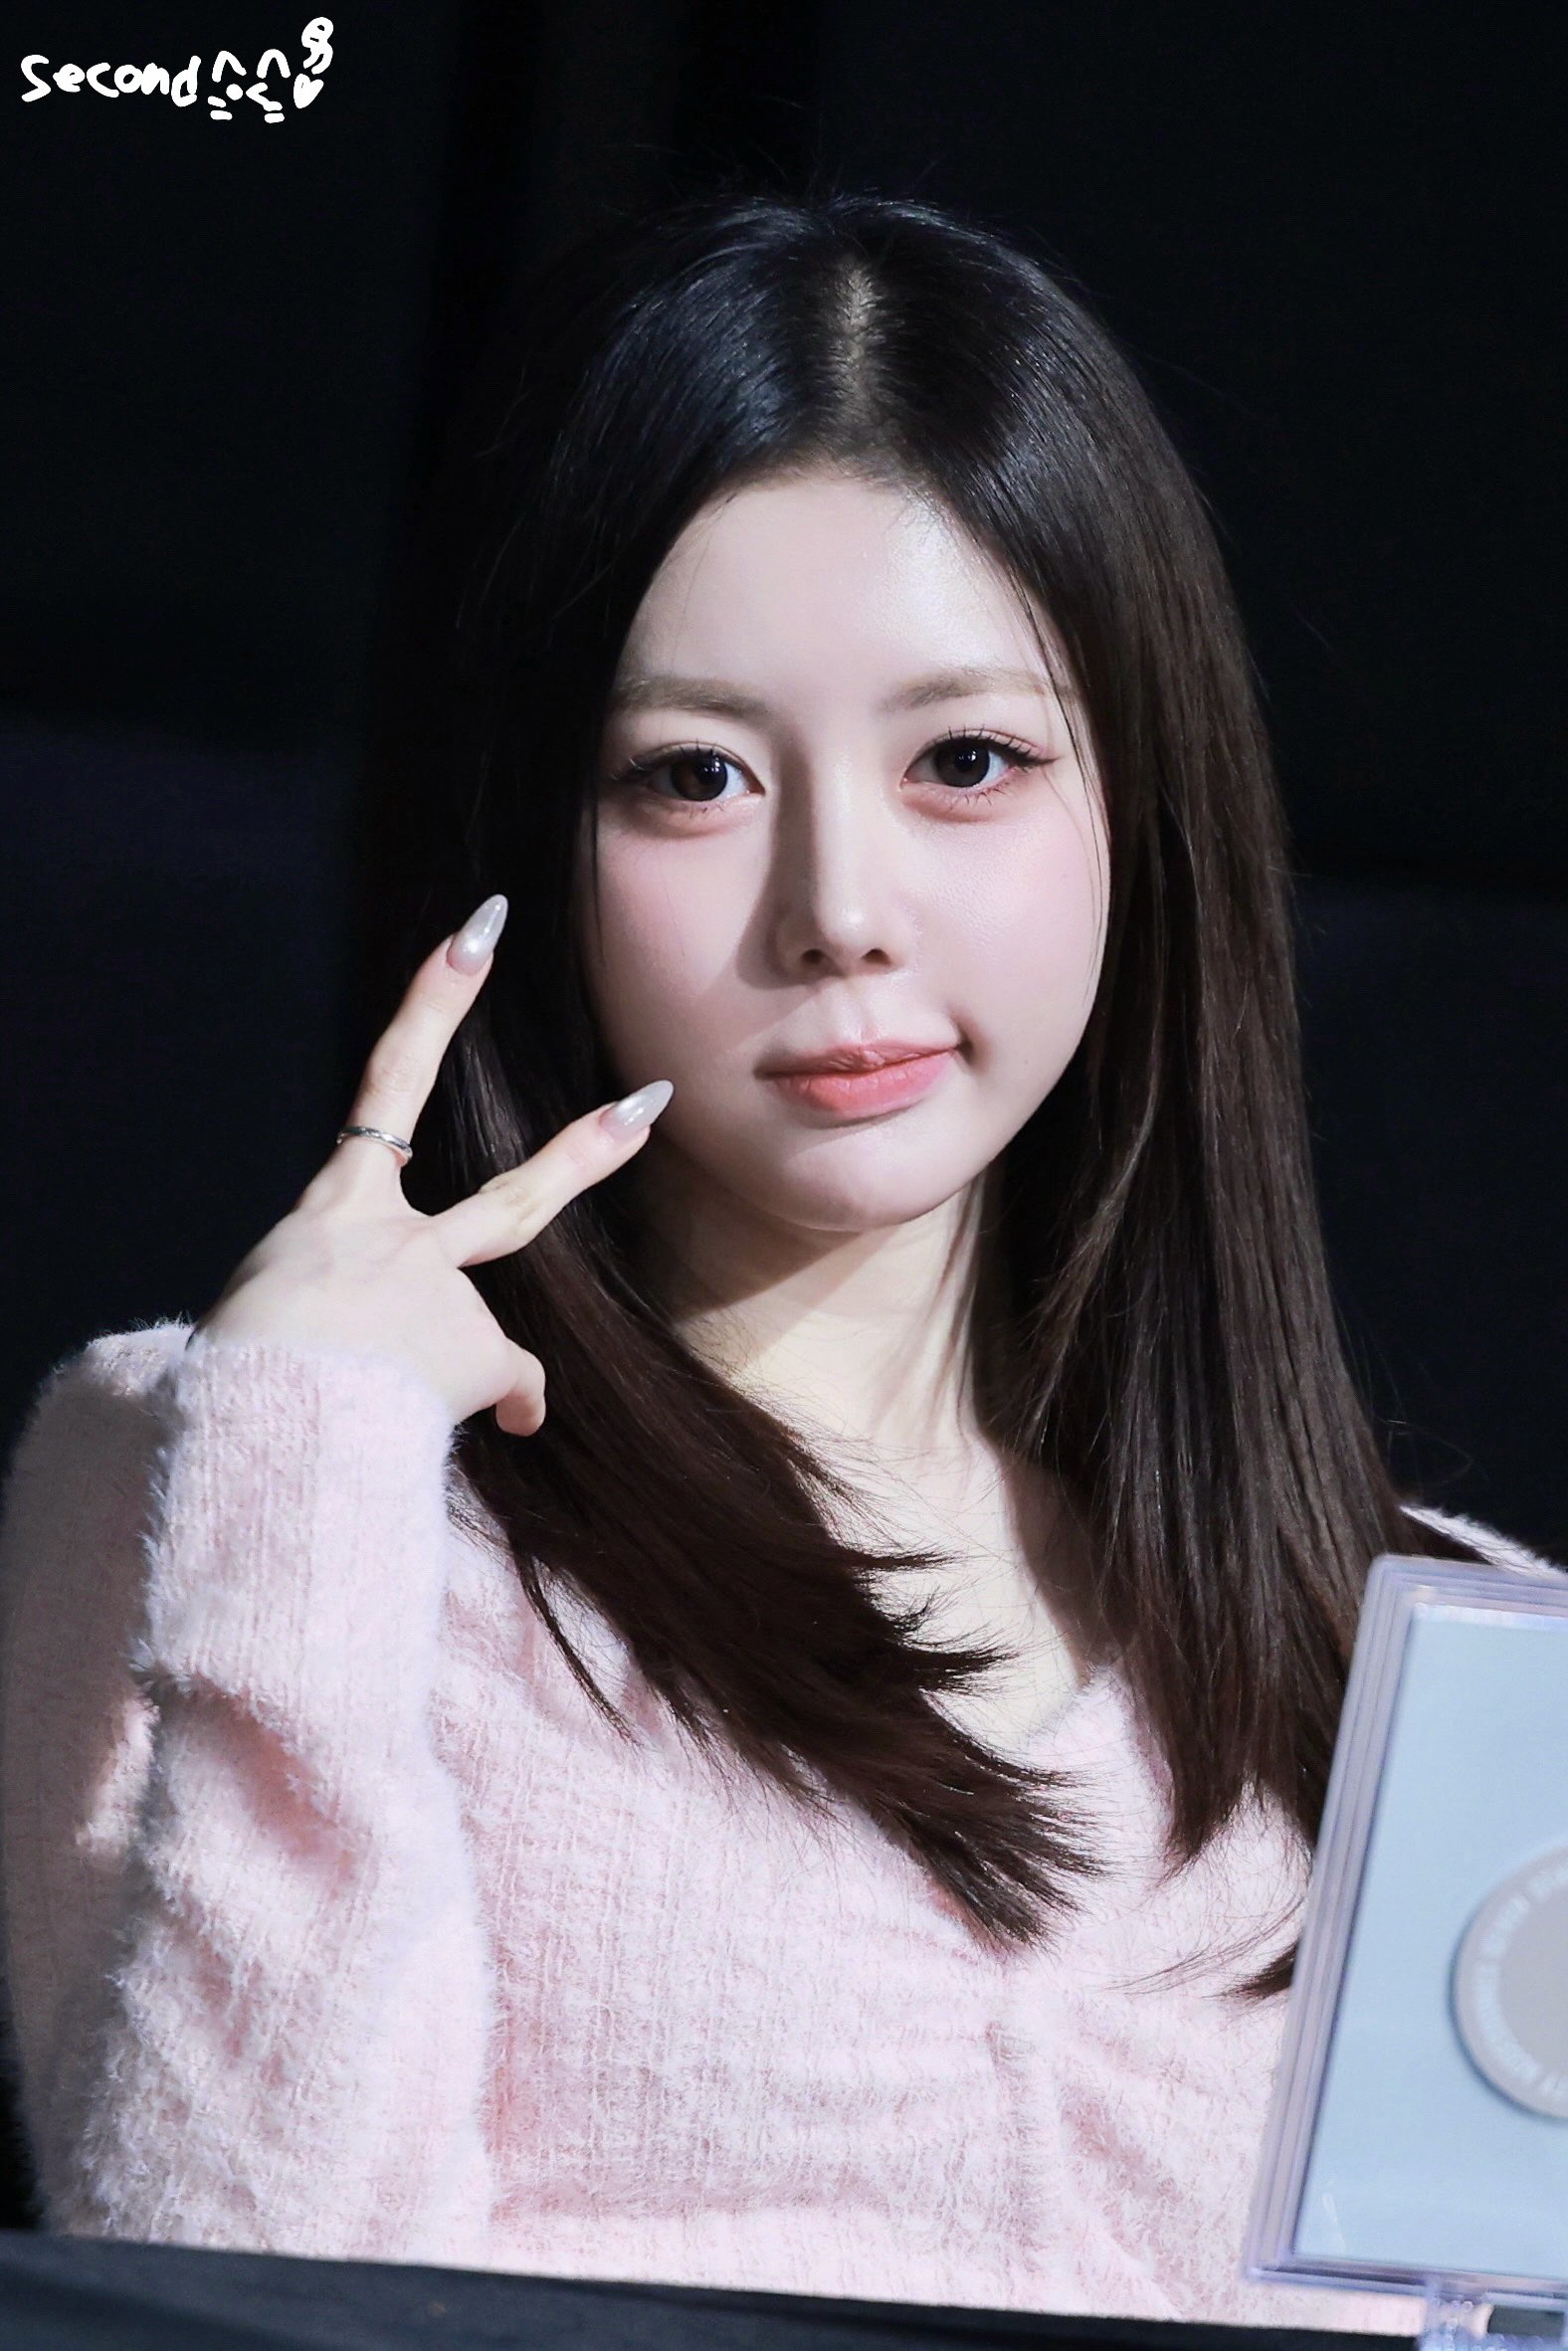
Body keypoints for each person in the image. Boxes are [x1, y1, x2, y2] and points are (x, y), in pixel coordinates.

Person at [0, 185, 1558, 2331]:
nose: (837, 907)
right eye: (693, 777)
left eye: (966, 762)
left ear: (1145, 813)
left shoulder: (1458, 1654)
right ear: (532, 832)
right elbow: (230, 2301)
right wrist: (305, 1457)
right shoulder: (259, 1480)